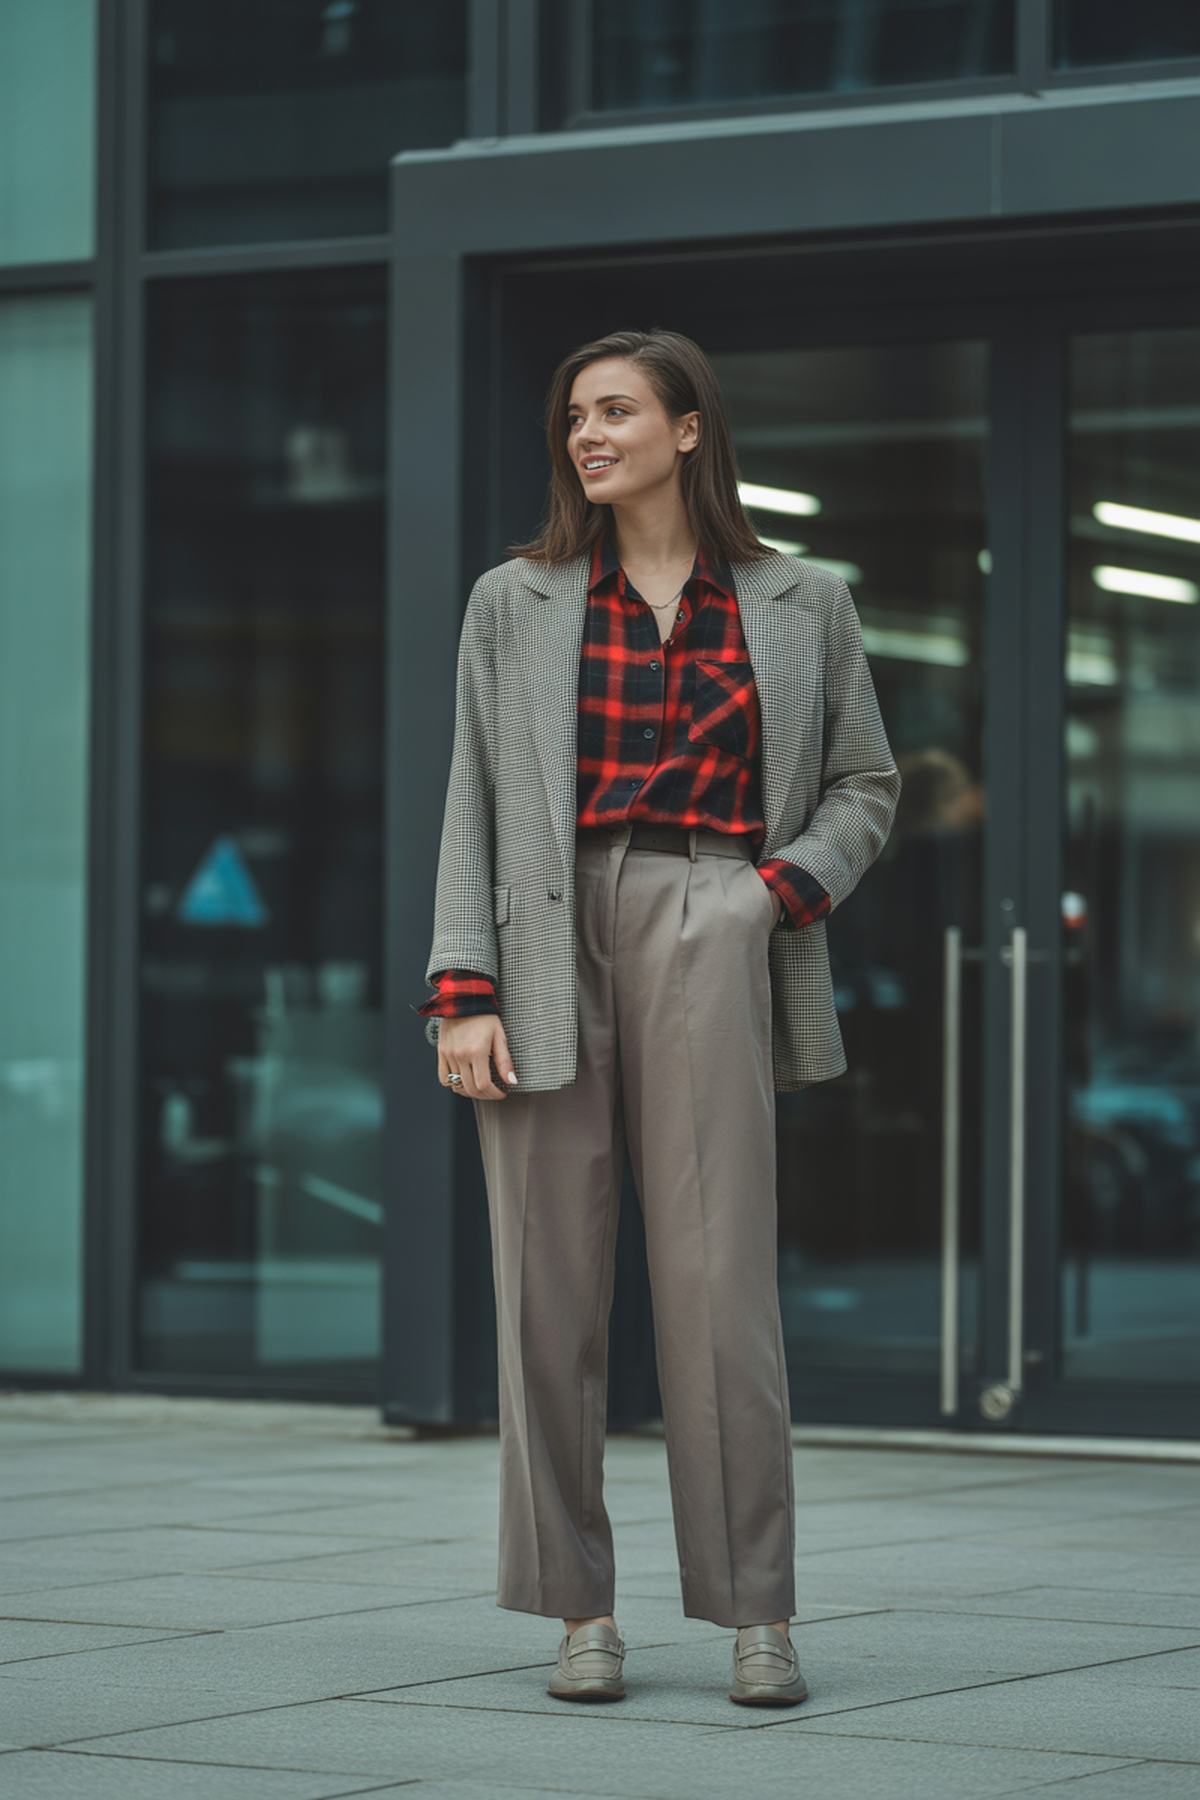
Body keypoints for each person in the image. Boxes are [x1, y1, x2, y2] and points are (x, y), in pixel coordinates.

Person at [420, 328, 899, 1706]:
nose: (588, 434)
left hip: (713, 915)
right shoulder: (515, 601)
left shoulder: (803, 600)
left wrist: (771, 895)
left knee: (719, 1290)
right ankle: (578, 1612)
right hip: (543, 932)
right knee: (547, 1299)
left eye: (617, 410)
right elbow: (476, 802)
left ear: (689, 429)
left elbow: (866, 786)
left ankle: (759, 1611)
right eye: (576, 413)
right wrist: (464, 990)